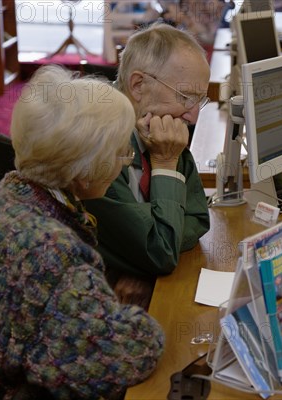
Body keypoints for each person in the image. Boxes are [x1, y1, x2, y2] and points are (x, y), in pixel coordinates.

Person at [0, 65, 164, 398]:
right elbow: (128, 355)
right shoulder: (51, 249)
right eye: (120, 151)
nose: (124, 162)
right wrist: (136, 319)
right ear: (85, 167)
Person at [84, 23, 211, 307]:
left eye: (199, 100)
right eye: (186, 97)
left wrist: (147, 254)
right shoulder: (100, 146)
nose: (192, 116)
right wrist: (165, 164)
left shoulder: (160, 128)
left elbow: (199, 218)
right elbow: (161, 253)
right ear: (138, 85)